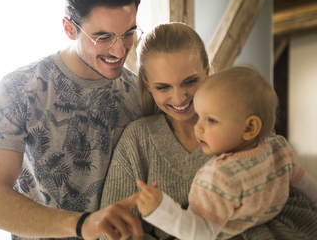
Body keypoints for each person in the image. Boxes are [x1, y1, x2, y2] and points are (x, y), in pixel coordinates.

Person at [100, 22, 317, 240]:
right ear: (147, 84)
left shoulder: (244, 122)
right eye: (163, 87)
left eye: (190, 81)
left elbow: (293, 202)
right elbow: (110, 232)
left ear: (206, 71)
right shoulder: (137, 141)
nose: (179, 98)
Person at [0, 0, 145, 240]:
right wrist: (83, 225)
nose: (119, 50)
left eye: (128, 33)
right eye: (103, 37)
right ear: (69, 28)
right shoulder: (19, 89)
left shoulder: (141, 95)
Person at [135, 66, 317, 240]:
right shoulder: (279, 148)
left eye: (211, 120)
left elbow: (203, 233)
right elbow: (309, 188)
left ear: (250, 127)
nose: (198, 127)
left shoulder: (218, 177)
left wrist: (161, 210)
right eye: (199, 116)